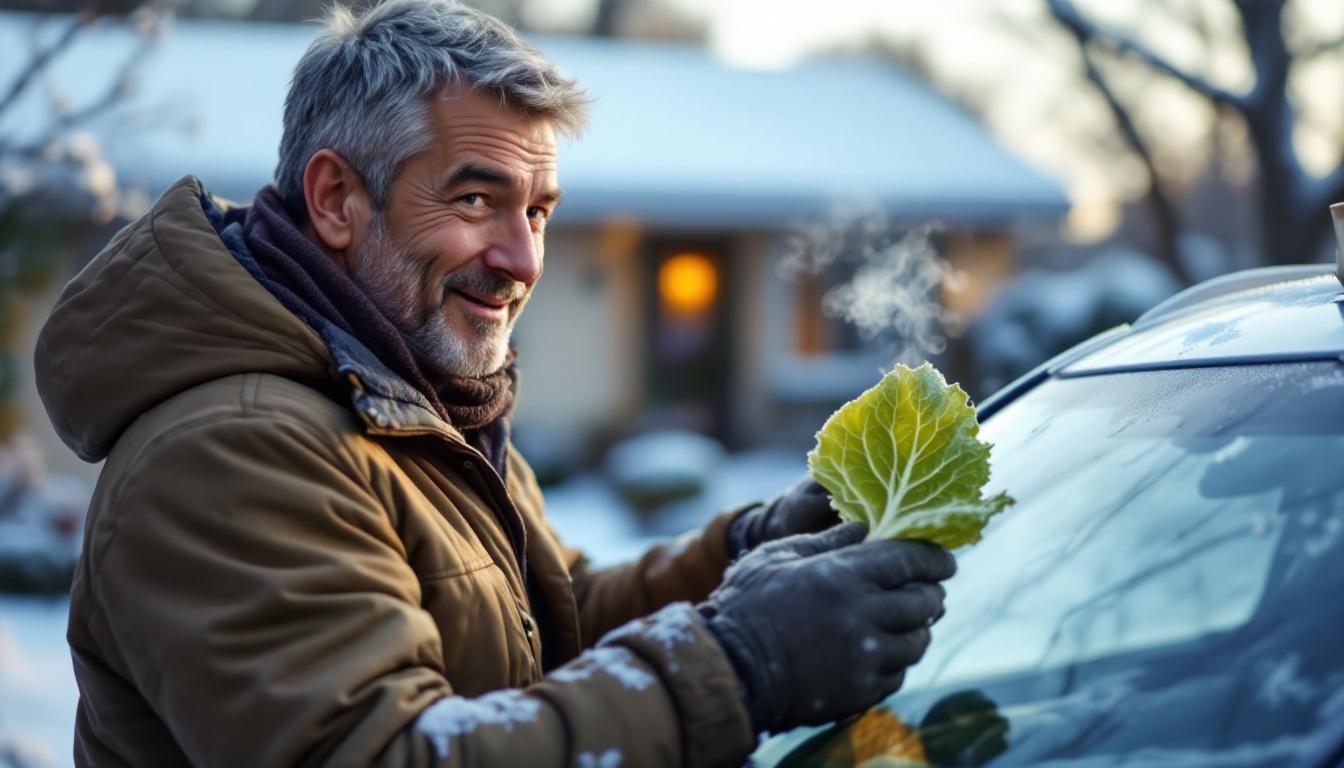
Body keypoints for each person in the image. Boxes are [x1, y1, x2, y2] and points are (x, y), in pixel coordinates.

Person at [34, 1, 956, 765]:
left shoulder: (412, 397)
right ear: (336, 200)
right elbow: (388, 753)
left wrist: (748, 545)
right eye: (476, 201)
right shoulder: (229, 454)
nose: (521, 259)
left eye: (539, 211)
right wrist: (744, 662)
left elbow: (549, 623)